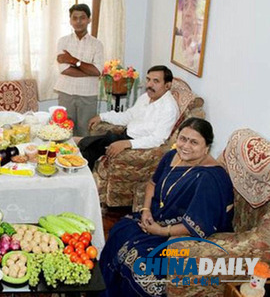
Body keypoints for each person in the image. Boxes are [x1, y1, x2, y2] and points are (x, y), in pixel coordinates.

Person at [100, 118, 234, 296]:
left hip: (181, 234)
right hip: (156, 218)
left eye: (194, 142)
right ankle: (103, 288)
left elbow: (199, 225)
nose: (185, 146)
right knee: (120, 230)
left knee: (140, 262)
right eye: (183, 138)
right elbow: (152, 184)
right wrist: (146, 210)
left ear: (207, 147)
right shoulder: (173, 156)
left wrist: (160, 231)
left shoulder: (209, 178)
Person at [79, 65, 179, 170]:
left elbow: (157, 139)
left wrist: (127, 144)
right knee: (86, 145)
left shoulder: (169, 109)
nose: (149, 85)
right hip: (125, 135)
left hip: (137, 144)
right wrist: (102, 116)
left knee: (87, 149)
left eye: (156, 81)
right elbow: (129, 115)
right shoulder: (146, 97)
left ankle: (81, 181)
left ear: (167, 85)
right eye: (148, 79)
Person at [54, 3, 104, 137]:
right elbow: (64, 70)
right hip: (66, 92)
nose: (78, 21)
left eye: (82, 18)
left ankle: (83, 158)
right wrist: (88, 69)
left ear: (89, 19)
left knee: (85, 132)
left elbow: (97, 71)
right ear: (70, 20)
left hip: (88, 94)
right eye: (74, 18)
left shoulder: (97, 44)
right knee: (64, 131)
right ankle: (64, 158)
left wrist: (72, 60)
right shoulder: (63, 42)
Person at [174, 0, 201, 72]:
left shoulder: (199, 55)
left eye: (194, 5)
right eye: (185, 5)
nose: (187, 13)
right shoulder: (176, 44)